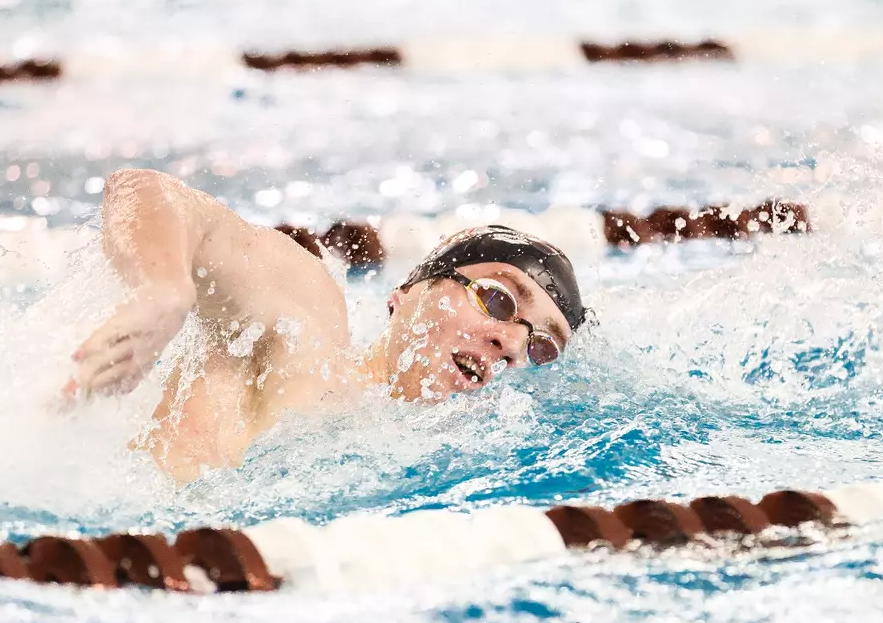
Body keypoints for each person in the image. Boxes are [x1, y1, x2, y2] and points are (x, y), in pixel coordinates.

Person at [64, 169, 587, 482]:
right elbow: (146, 191)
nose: (513, 342)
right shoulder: (307, 330)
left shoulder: (453, 470)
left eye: (541, 346)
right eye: (496, 299)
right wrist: (163, 292)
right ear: (405, 295)